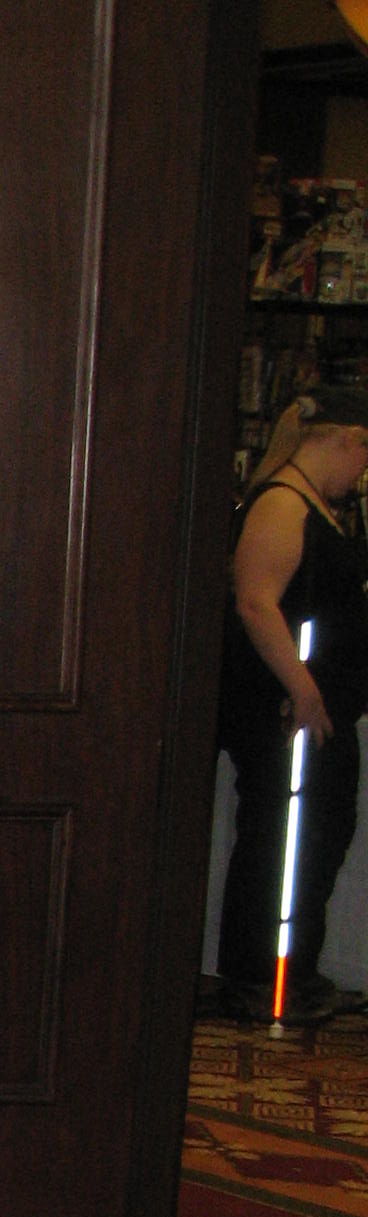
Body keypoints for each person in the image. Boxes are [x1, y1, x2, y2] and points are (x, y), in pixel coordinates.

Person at [220, 385, 368, 1026]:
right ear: (348, 440)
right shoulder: (283, 504)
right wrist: (302, 688)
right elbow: (256, 602)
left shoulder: (317, 506)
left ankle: (293, 972)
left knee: (317, 839)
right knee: (281, 842)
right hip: (287, 710)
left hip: (316, 711)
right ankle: (261, 978)